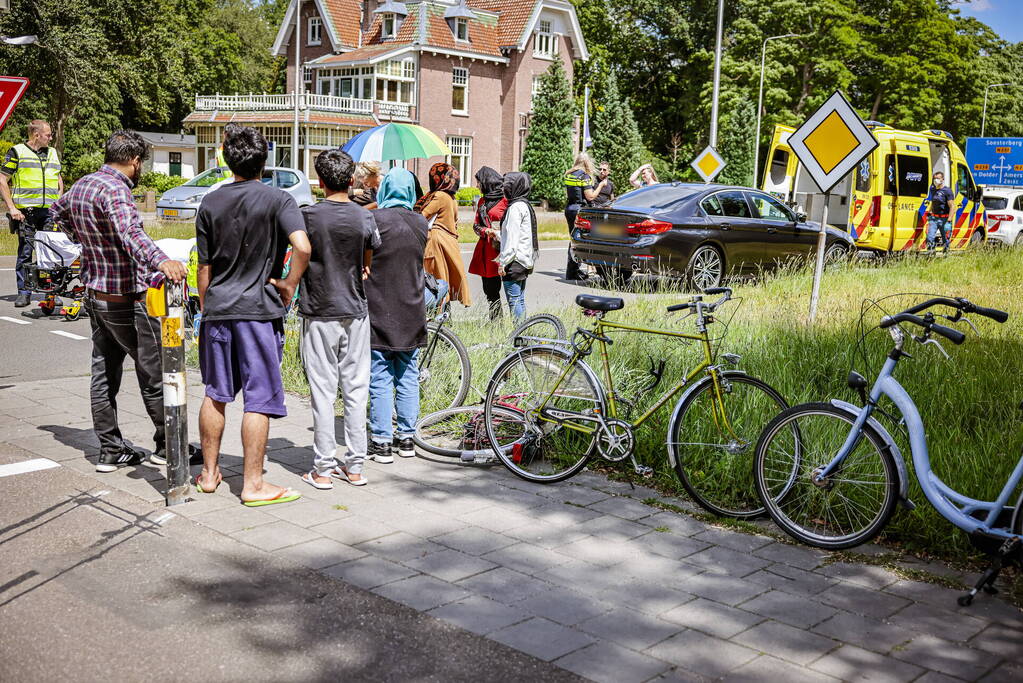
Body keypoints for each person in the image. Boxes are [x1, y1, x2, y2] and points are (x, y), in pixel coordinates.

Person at [49, 130, 186, 472]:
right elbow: (130, 233)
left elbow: (58, 212)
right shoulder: (116, 190)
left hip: (96, 294)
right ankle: (167, 445)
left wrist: (87, 242)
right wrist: (161, 261)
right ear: (135, 161)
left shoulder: (83, 184)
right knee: (154, 371)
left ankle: (110, 449)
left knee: (104, 372)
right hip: (126, 297)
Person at [194, 126, 311, 506]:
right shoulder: (279, 199)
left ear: (228, 160)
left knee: (215, 395)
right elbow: (303, 247)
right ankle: (253, 484)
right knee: (258, 399)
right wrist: (290, 282)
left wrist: (206, 308)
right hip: (258, 313)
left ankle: (210, 475)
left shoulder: (210, 203)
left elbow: (204, 268)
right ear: (265, 160)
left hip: (218, 310)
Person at [298, 150, 380, 489]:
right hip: (356, 311)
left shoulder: (308, 217)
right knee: (357, 388)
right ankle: (356, 466)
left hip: (318, 309)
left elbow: (298, 254)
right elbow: (368, 257)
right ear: (351, 181)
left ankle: (323, 468)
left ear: (319, 182)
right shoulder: (364, 218)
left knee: (322, 389)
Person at [364, 168, 429, 463]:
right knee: (408, 374)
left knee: (379, 373)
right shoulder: (421, 223)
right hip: (412, 307)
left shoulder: (374, 221)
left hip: (379, 305)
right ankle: (406, 438)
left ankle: (380, 442)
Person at [1, 120, 64, 307]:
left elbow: (58, 178)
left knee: (50, 253)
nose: (51, 138)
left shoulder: (52, 152)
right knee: (25, 253)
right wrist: (12, 208)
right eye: (48, 134)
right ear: (36, 135)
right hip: (25, 213)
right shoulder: (17, 151)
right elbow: (3, 179)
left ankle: (50, 293)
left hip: (49, 212)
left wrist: (58, 203)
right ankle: (24, 292)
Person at [415, 162, 471, 306]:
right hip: (449, 243)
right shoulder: (451, 197)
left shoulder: (439, 195)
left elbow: (422, 216)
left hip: (437, 243)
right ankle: (445, 319)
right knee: (445, 281)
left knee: (435, 281)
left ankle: (437, 320)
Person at [467, 166, 507, 320]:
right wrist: (486, 231)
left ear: (487, 182)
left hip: (502, 248)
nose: (477, 186)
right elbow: (476, 225)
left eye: (478, 182)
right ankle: (496, 321)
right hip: (487, 249)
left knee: (510, 288)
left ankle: (517, 325)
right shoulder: (482, 201)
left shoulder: (506, 200)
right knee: (490, 290)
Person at [498, 172, 538, 321]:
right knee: (520, 300)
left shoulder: (515, 207)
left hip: (514, 262)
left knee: (514, 303)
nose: (503, 189)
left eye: (506, 186)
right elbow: (522, 234)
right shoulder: (525, 205)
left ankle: (519, 337)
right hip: (524, 260)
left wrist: (503, 262)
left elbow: (512, 239)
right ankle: (524, 335)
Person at [563, 152, 606, 280]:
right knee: (583, 240)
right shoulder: (585, 176)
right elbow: (590, 196)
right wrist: (601, 186)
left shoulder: (568, 174)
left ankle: (572, 270)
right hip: (580, 210)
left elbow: (568, 194)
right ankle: (576, 271)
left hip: (569, 208)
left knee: (573, 240)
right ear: (587, 163)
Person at [925, 171, 955, 253]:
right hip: (934, 219)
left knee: (946, 240)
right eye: (934, 178)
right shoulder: (932, 189)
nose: (935, 180)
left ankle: (946, 255)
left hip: (945, 220)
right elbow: (933, 202)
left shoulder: (947, 191)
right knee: (930, 237)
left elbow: (952, 206)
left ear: (942, 179)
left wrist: (949, 221)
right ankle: (931, 255)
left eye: (938, 178)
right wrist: (929, 212)